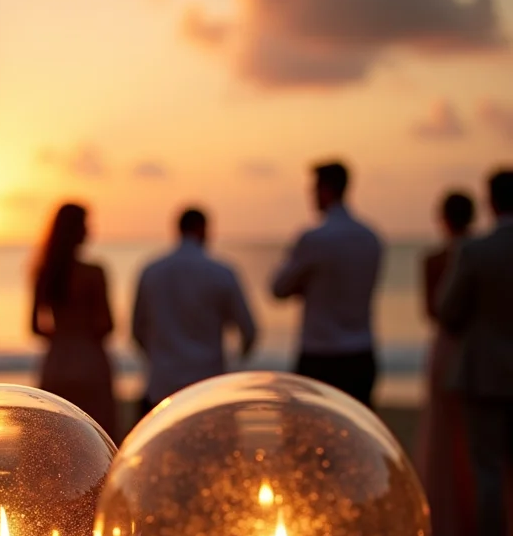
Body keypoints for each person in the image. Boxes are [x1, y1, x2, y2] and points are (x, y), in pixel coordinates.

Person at [440, 169, 513, 536]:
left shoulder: (477, 251)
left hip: (485, 374)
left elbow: (448, 310)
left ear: (491, 201)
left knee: (487, 472)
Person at [271, 162, 383, 407]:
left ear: (326, 190)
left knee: (313, 436)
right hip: (361, 353)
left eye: (313, 190)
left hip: (321, 355)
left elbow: (278, 288)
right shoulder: (371, 238)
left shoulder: (315, 239)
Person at [132, 208, 257, 411]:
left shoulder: (151, 271)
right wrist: (234, 367)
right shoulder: (222, 272)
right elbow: (249, 332)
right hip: (208, 386)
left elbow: (137, 330)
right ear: (203, 229)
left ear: (178, 230)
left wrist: (158, 359)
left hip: (162, 386)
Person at [415, 192, 476, 536]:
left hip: (448, 349)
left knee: (442, 438)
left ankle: (450, 524)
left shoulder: (435, 259)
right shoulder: (483, 253)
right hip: (479, 351)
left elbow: (433, 311)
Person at [32, 203, 116, 439]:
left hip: (57, 361)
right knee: (99, 440)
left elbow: (35, 326)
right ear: (77, 230)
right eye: (85, 225)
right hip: (90, 360)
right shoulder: (94, 272)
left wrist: (62, 334)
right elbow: (106, 325)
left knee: (57, 442)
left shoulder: (45, 273)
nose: (89, 230)